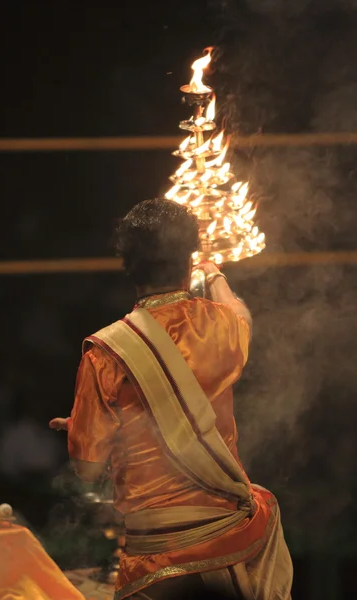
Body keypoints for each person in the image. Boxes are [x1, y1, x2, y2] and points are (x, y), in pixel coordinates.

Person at [50, 199, 293, 600]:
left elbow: (88, 470)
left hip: (155, 562)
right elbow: (241, 315)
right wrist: (213, 272)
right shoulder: (221, 325)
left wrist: (86, 429)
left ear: (127, 265)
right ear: (189, 258)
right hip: (232, 547)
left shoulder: (105, 354)